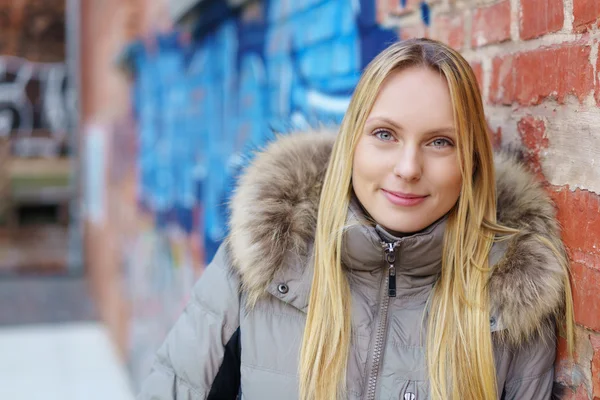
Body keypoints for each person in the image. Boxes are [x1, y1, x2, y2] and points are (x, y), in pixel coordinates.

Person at [138, 38, 574, 400]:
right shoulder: (266, 257)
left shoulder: (512, 299)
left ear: (471, 162)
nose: (408, 167)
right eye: (385, 134)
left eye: (440, 142)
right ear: (354, 143)